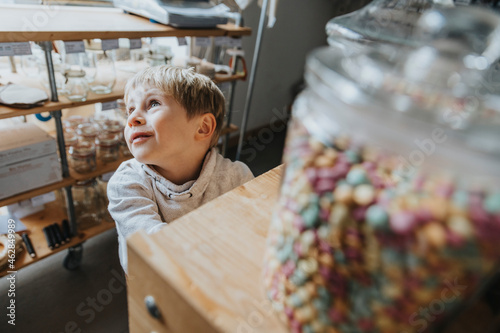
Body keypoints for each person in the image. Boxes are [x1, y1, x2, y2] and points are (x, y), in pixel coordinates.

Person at [107, 65, 254, 272]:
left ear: (202, 128)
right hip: (158, 287)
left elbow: (253, 232)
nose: (132, 119)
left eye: (153, 104)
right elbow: (156, 247)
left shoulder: (236, 177)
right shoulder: (127, 183)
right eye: (130, 110)